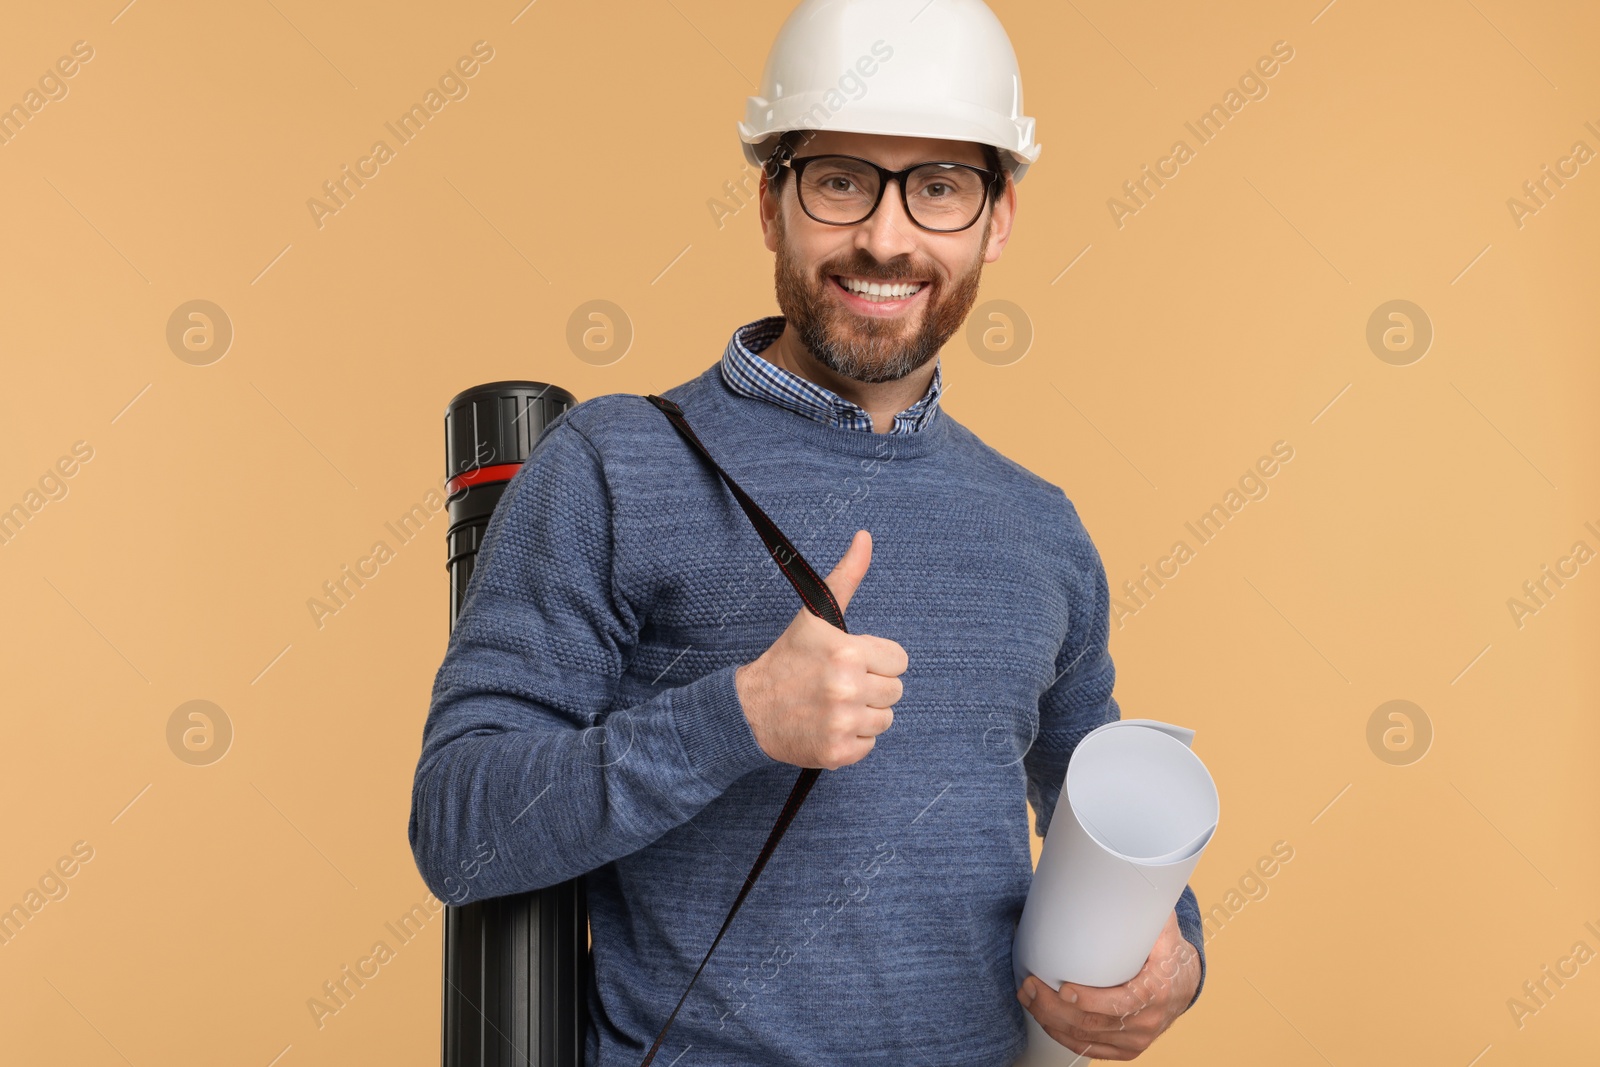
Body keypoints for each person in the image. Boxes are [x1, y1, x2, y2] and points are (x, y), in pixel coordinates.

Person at [407, 1, 1205, 1063]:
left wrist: (1176, 957)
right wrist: (735, 715)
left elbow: (1096, 811)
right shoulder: (614, 464)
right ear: (770, 201)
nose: (885, 237)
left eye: (937, 186)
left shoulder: (1036, 526)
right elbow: (460, 827)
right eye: (839, 179)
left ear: (996, 217)